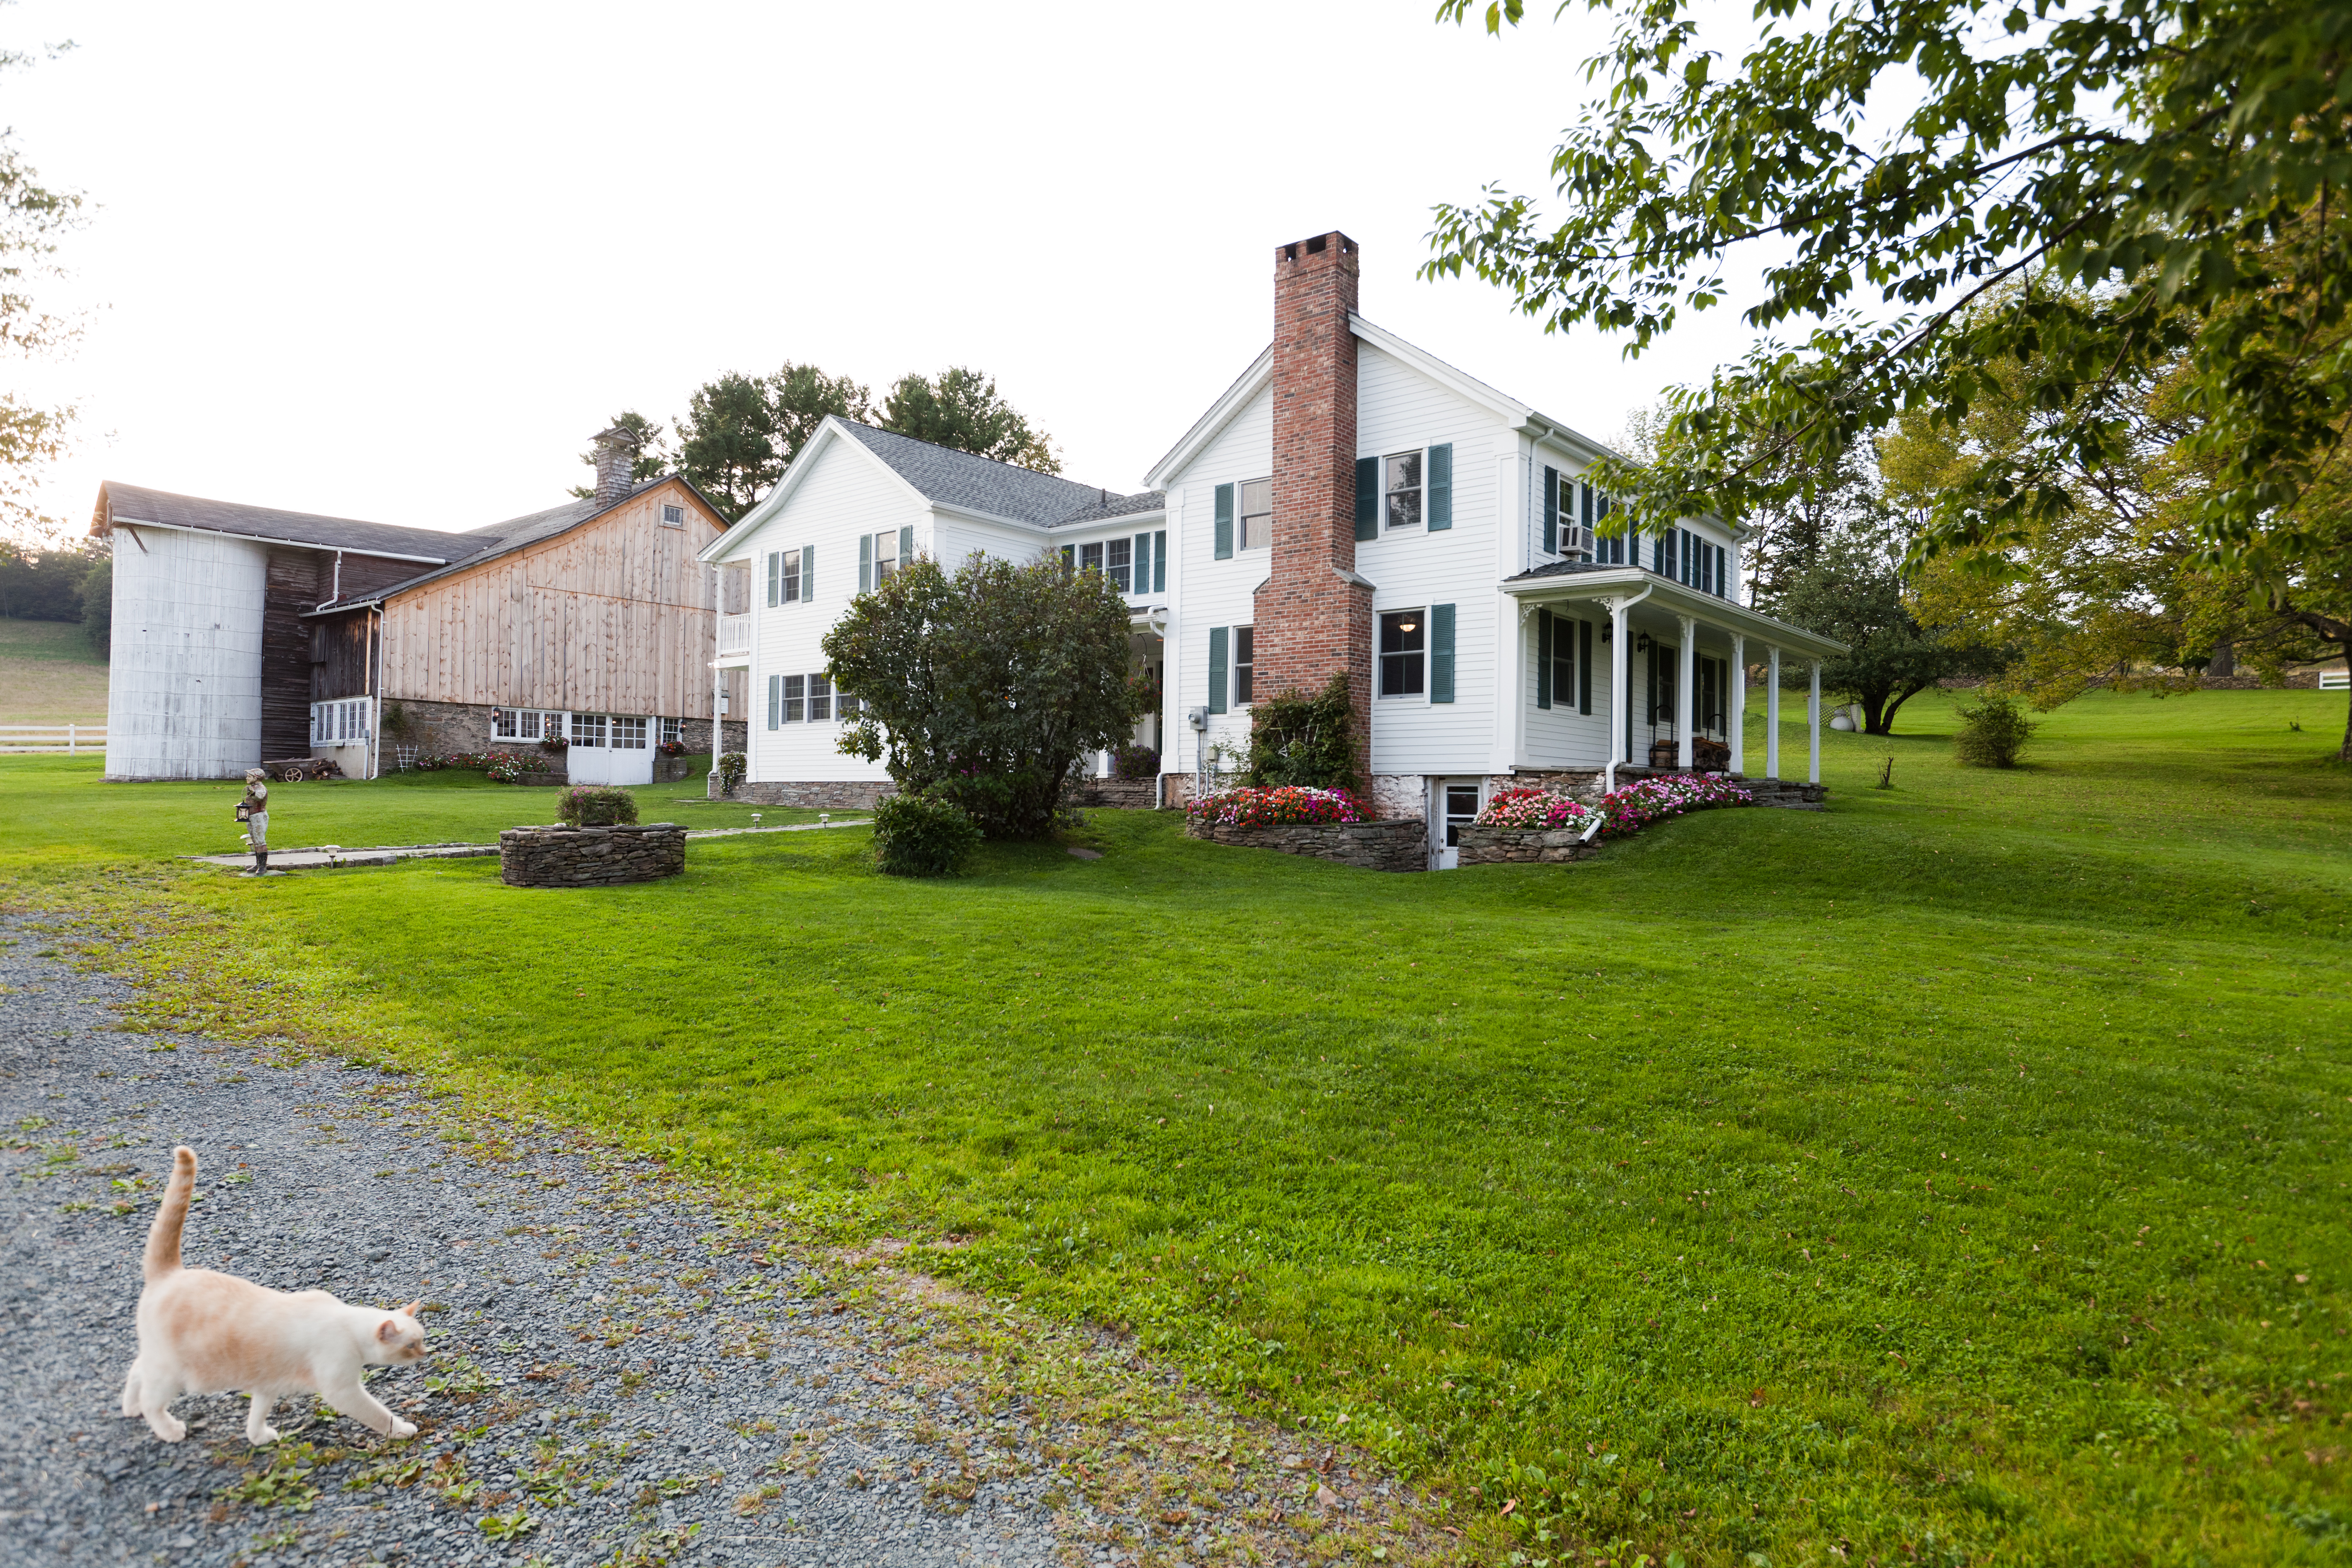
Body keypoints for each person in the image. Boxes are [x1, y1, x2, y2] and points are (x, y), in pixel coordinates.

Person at [236, 768, 271, 877]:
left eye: (250, 776)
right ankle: (258, 864)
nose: (247, 778)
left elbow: (260, 797)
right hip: (251, 816)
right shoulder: (253, 787)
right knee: (255, 840)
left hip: (259, 816)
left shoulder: (260, 788)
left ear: (256, 778)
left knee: (260, 841)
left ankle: (262, 866)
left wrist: (252, 792)